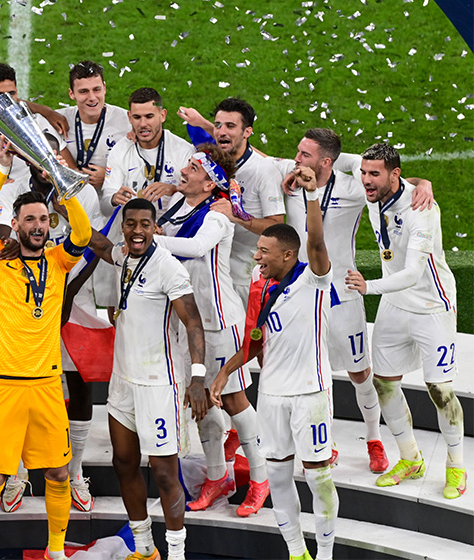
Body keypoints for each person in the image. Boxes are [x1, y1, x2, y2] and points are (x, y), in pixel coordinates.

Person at [0, 135, 91, 560]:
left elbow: (83, 232)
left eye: (43, 219)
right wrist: (2, 170)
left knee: (58, 473)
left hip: (46, 385)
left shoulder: (59, 260)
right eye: (29, 220)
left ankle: (56, 551)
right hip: (3, 384)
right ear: (16, 224)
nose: (38, 225)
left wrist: (60, 185)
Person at [211, 165, 339, 560]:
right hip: (271, 397)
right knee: (279, 478)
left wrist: (311, 195)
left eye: (264, 252)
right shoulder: (260, 282)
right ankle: (297, 553)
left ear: (288, 255)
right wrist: (224, 372)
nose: (257, 256)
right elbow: (254, 341)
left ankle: (326, 554)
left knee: (319, 480)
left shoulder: (313, 281)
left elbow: (316, 241)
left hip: (310, 394)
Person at [86, 197, 207, 560]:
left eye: (144, 224)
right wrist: (65, 205)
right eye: (130, 224)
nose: (137, 231)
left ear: (156, 228)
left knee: (165, 473)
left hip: (158, 384)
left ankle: (177, 554)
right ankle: (144, 549)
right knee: (123, 463)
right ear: (123, 226)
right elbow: (98, 244)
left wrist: (197, 378)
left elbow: (193, 323)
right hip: (123, 380)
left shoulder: (167, 267)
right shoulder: (124, 257)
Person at [153, 146, 269, 517]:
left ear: (209, 183)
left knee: (234, 402)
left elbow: (195, 247)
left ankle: (261, 478)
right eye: (187, 164)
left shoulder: (218, 214)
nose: (183, 170)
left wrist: (147, 239)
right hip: (188, 322)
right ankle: (217, 477)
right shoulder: (179, 205)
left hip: (218, 322)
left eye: (193, 167)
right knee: (200, 400)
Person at [346, 143, 465, 499]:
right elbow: (328, 157)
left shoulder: (422, 210)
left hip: (432, 306)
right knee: (384, 383)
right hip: (395, 305)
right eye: (363, 172)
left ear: (394, 174)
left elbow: (413, 273)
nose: (366, 180)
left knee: (440, 390)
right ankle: (410, 458)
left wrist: (368, 287)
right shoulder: (376, 189)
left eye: (374, 174)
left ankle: (456, 465)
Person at [0, 144, 104, 513]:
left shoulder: (82, 191)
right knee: (20, 388)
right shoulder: (10, 188)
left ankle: (75, 470)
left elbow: (92, 244)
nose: (45, 164)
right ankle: (17, 471)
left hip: (76, 296)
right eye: (37, 156)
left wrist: (68, 290)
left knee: (80, 385)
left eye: (52, 157)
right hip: (23, 304)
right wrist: (12, 241)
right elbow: (2, 237)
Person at [276, 129, 388, 472]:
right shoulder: (292, 177)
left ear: (326, 161)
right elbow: (251, 154)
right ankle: (328, 442)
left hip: (342, 293)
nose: (297, 159)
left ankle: (374, 439)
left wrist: (423, 185)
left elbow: (393, 182)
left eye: (305, 154)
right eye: (298, 152)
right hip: (303, 294)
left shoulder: (353, 188)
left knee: (359, 371)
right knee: (314, 372)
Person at [99, 87, 195, 317]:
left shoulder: (182, 150)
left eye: (149, 116)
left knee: (171, 313)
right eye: (137, 117)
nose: (143, 124)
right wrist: (114, 198)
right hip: (132, 243)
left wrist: (173, 188)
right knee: (123, 312)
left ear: (162, 115)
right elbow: (104, 204)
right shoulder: (121, 150)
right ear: (129, 117)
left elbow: (197, 195)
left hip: (170, 240)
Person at [180, 98, 286, 302]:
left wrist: (236, 216)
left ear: (247, 132)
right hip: (205, 269)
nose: (221, 132)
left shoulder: (264, 171)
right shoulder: (208, 161)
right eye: (218, 125)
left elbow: (277, 228)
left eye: (230, 126)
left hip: (243, 278)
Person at [60, 60, 131, 191]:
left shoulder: (128, 122)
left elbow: (143, 169)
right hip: (74, 199)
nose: (92, 97)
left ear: (104, 88)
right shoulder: (59, 120)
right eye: (84, 91)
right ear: (71, 94)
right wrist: (47, 113)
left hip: (113, 200)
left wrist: (109, 178)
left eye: (97, 89)